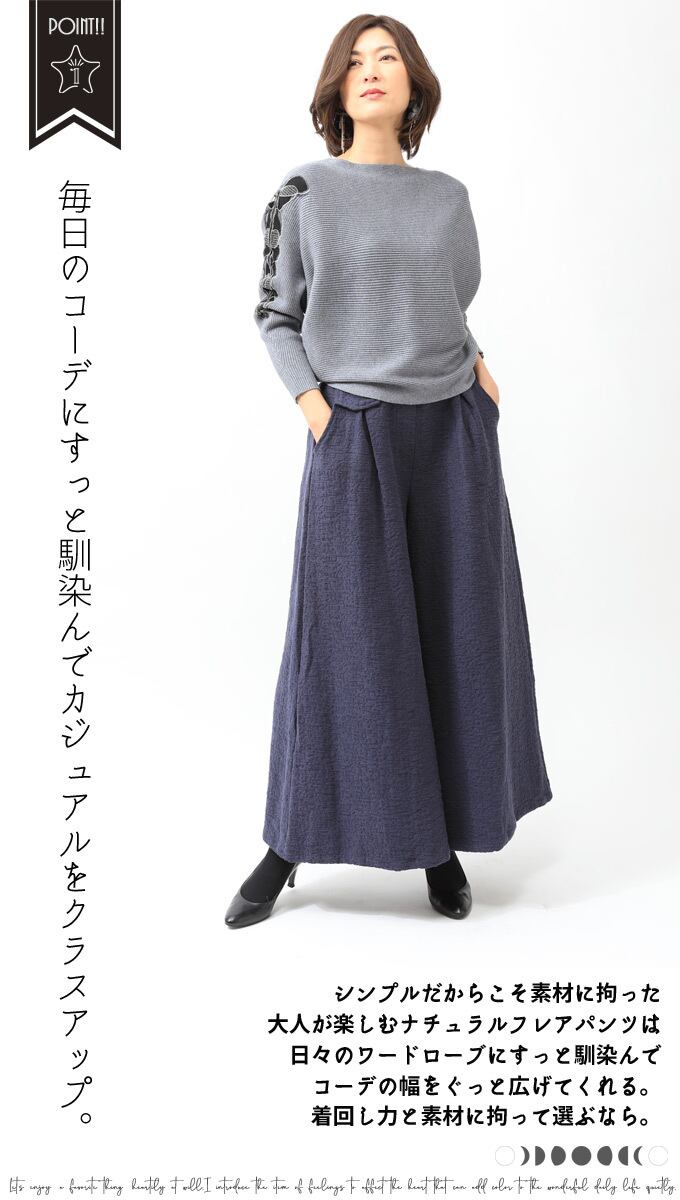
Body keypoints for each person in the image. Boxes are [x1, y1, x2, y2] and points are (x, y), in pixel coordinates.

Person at [224, 14, 553, 929]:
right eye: (357, 61)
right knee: (344, 644)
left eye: (390, 59)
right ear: (338, 86)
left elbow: (446, 303)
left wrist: (479, 367)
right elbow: (274, 314)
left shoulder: (447, 198)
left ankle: (440, 844)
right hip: (355, 431)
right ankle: (288, 841)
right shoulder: (303, 192)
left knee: (456, 634)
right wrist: (316, 408)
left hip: (451, 431)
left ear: (414, 86)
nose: (373, 71)